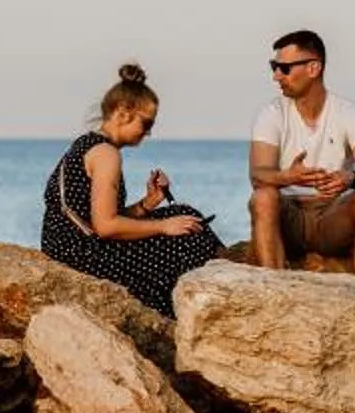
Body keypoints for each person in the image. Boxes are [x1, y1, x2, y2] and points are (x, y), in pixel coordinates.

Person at [39, 62, 225, 315]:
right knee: (187, 238)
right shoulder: (106, 155)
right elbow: (105, 227)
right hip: (80, 256)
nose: (148, 133)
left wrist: (147, 204)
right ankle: (202, 304)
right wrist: (163, 226)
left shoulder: (87, 144)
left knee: (181, 215)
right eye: (146, 124)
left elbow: (97, 219)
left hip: (68, 247)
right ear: (123, 113)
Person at [248, 28, 355, 290]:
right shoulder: (271, 113)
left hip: (331, 217)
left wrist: (352, 178)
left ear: (313, 68)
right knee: (264, 196)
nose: (276, 75)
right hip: (289, 216)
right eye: (274, 66)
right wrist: (287, 177)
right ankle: (274, 296)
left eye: (284, 68)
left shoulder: (349, 112)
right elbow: (257, 175)